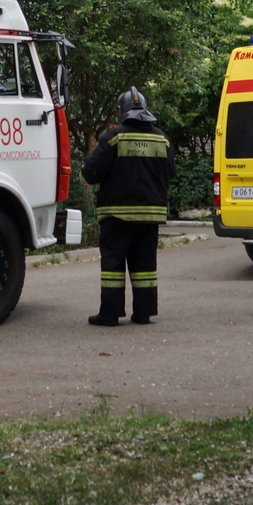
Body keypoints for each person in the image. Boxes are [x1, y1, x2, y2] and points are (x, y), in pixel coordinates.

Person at [81, 88, 173, 327]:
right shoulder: (162, 139)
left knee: (113, 264)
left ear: (121, 112)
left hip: (117, 214)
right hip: (150, 215)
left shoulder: (114, 137)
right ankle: (144, 312)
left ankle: (110, 314)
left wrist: (84, 175)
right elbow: (170, 172)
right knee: (145, 266)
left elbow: (92, 172)